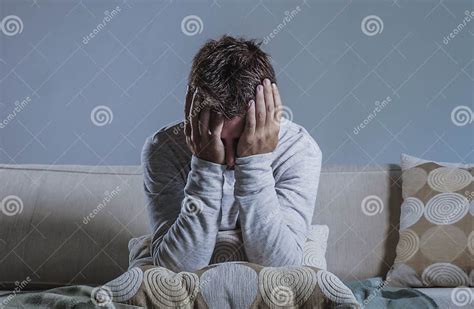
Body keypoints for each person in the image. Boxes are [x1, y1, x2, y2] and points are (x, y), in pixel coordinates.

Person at [141, 35, 322, 273]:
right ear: (192, 115)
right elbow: (176, 267)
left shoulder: (299, 149)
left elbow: (282, 267)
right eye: (215, 140)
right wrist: (205, 165)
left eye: (239, 142)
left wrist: (254, 163)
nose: (228, 160)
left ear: (269, 113)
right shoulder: (163, 149)